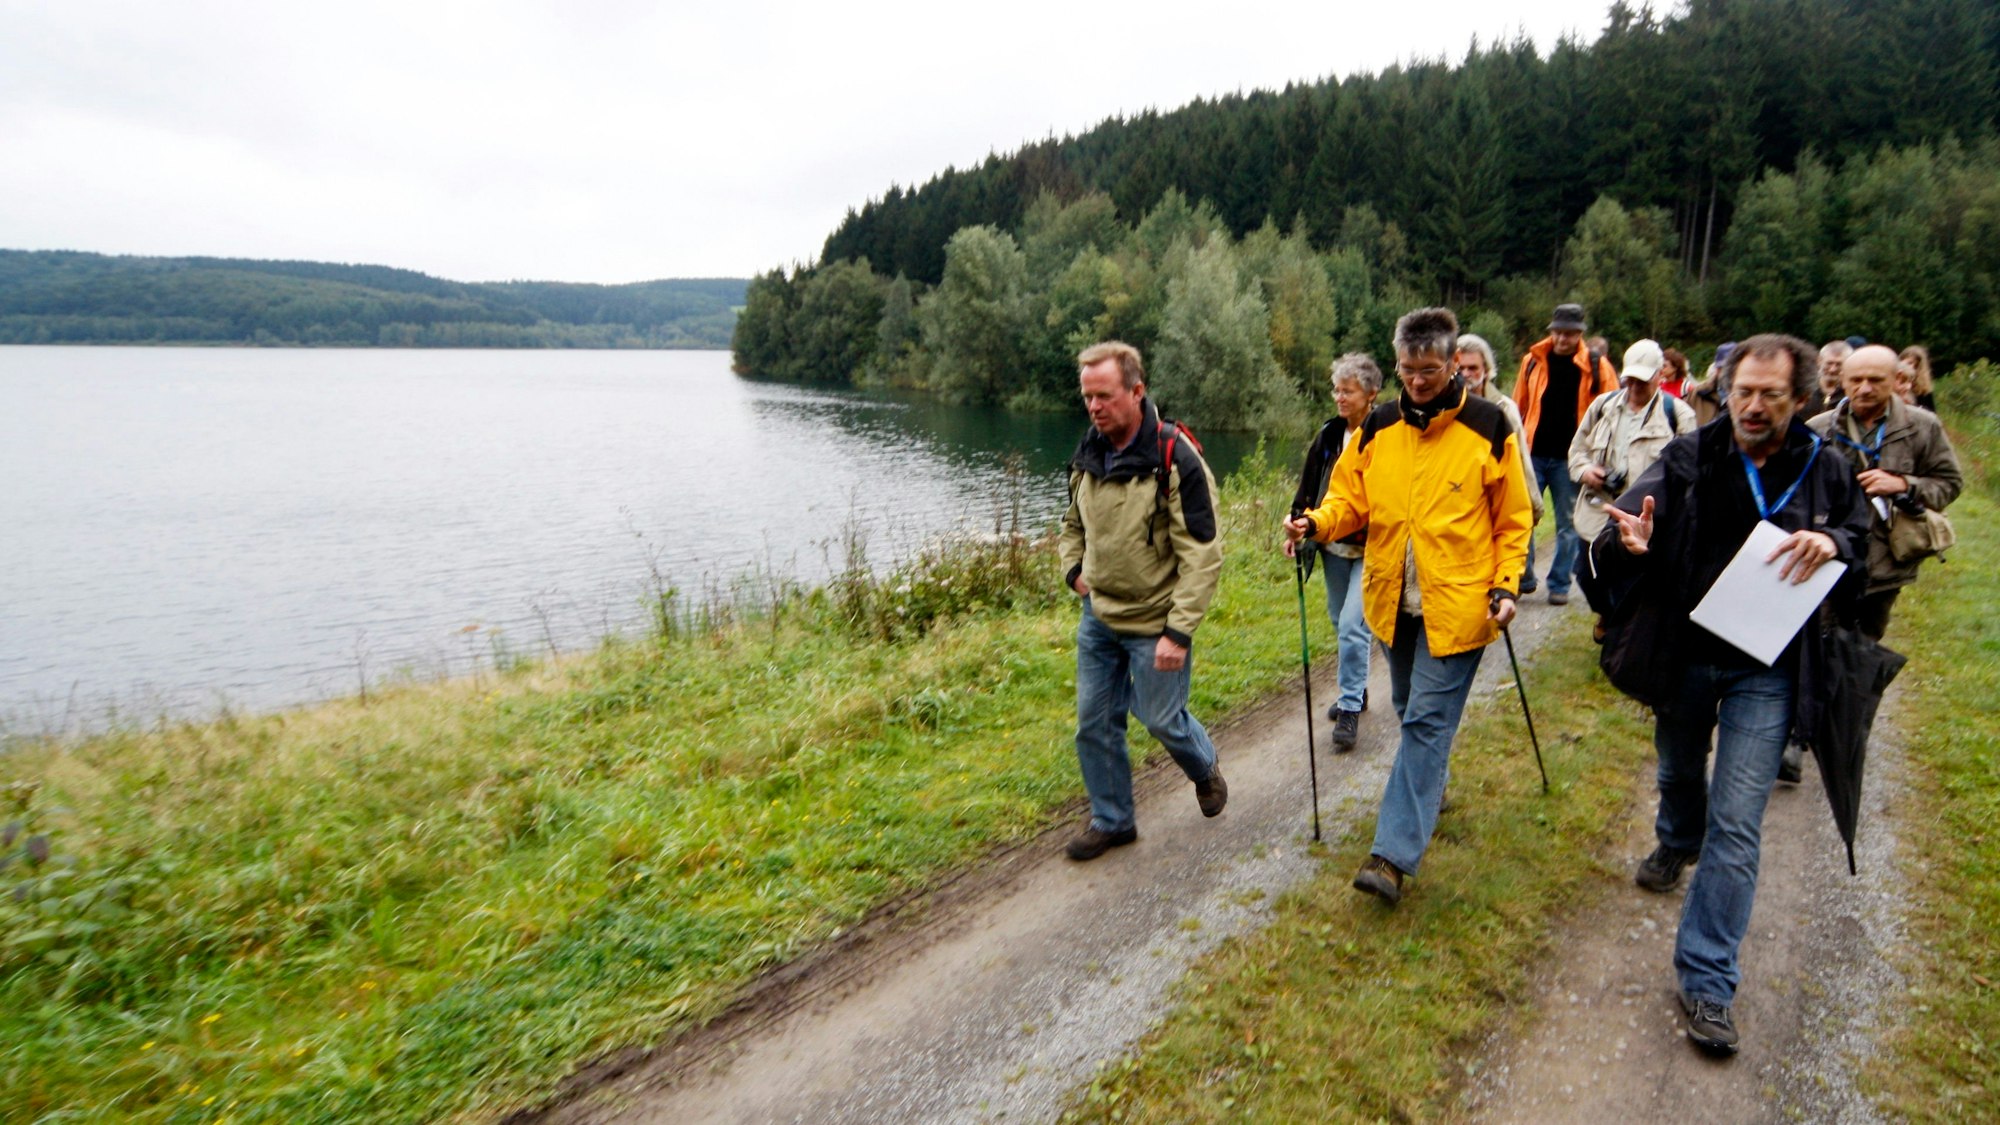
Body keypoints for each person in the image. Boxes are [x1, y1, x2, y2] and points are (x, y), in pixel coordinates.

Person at [1587, 333, 1871, 1056]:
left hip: (1767, 669)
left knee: (1740, 820)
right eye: (1743, 390)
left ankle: (1709, 980)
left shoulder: (1824, 467)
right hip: (1684, 656)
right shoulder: (1690, 456)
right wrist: (1630, 542)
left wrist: (1834, 543)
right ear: (1727, 389)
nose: (1752, 405)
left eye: (1770, 394)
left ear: (1799, 399)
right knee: (1680, 772)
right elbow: (1619, 527)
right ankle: (1677, 837)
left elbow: (1861, 539)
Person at [1284, 307, 1532, 905]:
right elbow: (1349, 498)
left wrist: (1505, 584)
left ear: (1453, 364)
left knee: (1424, 723)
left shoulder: (1488, 425)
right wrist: (1315, 523)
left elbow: (1514, 520)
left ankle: (1390, 856)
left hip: (1463, 606)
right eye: (1407, 369)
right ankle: (1431, 783)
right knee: (1404, 706)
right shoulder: (1380, 426)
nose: (1418, 381)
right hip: (1393, 602)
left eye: (1430, 369)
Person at [1059, 341, 1227, 861]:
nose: (1094, 407)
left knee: (1161, 719)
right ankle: (1112, 821)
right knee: (1094, 720)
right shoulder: (1090, 449)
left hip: (1156, 621)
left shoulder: (1175, 456)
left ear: (1136, 391)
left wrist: (1179, 632)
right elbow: (1071, 523)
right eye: (1088, 397)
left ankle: (1203, 767)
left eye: (1104, 395)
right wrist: (1073, 571)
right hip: (1098, 616)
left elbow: (1202, 552)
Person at [1808, 344, 1963, 639]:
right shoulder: (1818, 429)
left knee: (1865, 647)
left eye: (1876, 380)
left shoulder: (1922, 427)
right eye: (1856, 380)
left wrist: (1905, 485)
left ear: (1895, 380)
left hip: (1884, 561)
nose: (1864, 388)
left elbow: (1949, 483)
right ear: (1843, 380)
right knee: (1817, 643)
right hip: (1826, 555)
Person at [1287, 354, 1383, 751]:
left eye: (1349, 391)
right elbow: (1309, 485)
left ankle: (1348, 709)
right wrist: (1297, 524)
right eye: (1337, 390)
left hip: (1373, 545)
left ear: (1371, 394)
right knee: (1336, 617)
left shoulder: (1386, 433)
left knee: (1352, 625)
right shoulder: (1329, 435)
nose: (1340, 397)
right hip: (1331, 542)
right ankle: (1357, 690)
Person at [1514, 302, 1618, 603]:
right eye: (1559, 332)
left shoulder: (1599, 367)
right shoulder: (1532, 361)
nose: (1563, 339)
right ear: (1552, 331)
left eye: (1570, 333)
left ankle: (1559, 585)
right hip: (1532, 453)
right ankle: (1524, 576)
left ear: (1580, 334)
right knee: (1523, 519)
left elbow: (1610, 415)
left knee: (1568, 525)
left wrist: (1598, 459)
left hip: (1571, 460)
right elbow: (1518, 405)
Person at [1567, 339, 1694, 544]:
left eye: (1642, 381)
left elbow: (1688, 477)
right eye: (1630, 379)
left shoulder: (1679, 415)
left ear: (1659, 375)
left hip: (1649, 525)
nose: (1634, 387)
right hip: (1595, 519)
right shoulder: (1602, 405)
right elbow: (1577, 450)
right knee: (1588, 575)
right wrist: (1585, 471)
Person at [1455, 332, 1544, 527]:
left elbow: (1521, 461)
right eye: (1460, 368)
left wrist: (1533, 507)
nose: (1466, 374)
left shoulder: (1504, 408)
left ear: (1486, 370)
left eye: (1473, 368)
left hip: (1502, 506)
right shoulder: (1443, 412)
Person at [1813, 340, 1853, 416]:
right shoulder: (1804, 389)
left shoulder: (1852, 393)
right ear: (1819, 361)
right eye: (1829, 363)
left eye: (1838, 364)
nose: (1832, 369)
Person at [1895, 345, 1937, 412]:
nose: (1911, 367)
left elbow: (1932, 415)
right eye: (1909, 363)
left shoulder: (1924, 391)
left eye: (1916, 366)